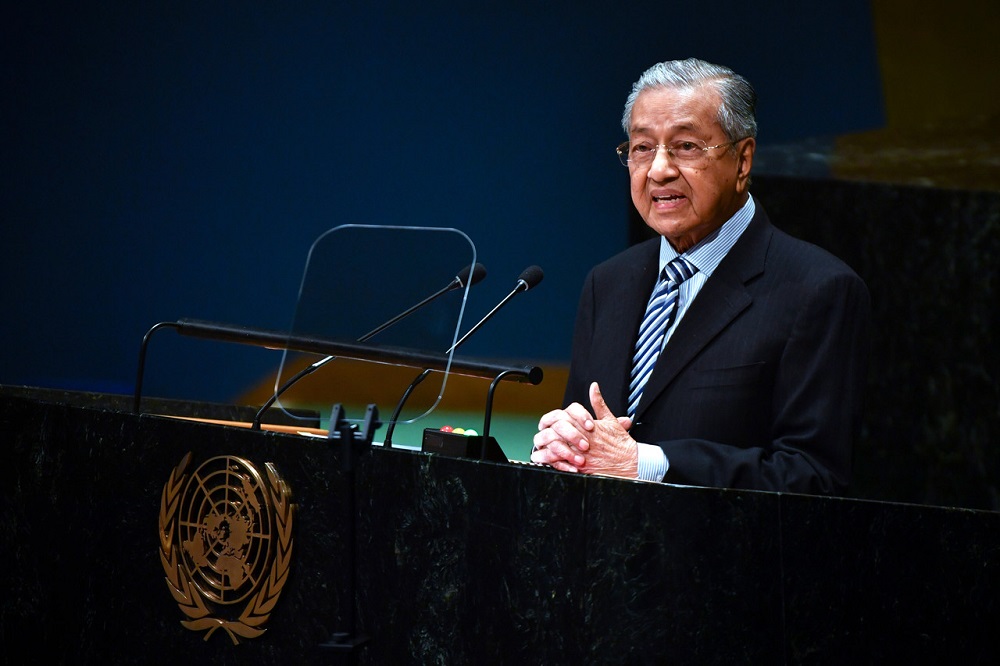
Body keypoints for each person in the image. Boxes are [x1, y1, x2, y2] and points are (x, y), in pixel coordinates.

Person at [530, 58, 870, 494]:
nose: (658, 170)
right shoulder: (607, 283)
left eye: (686, 147)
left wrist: (649, 464)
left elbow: (813, 478)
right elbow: (593, 446)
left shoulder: (819, 290)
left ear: (742, 160)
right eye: (641, 147)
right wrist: (566, 446)